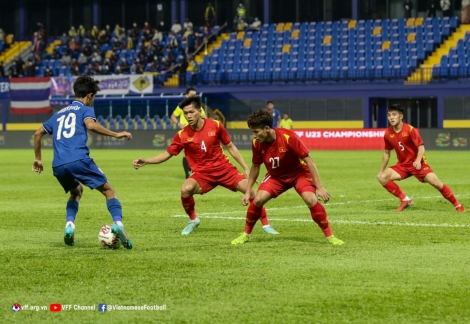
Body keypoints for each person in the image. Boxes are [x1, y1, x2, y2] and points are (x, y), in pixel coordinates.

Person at [133, 96, 278, 236]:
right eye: (185, 113)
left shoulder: (215, 125)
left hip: (224, 169)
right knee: (185, 189)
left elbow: (231, 147)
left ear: (199, 111)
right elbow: (167, 154)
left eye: (191, 112)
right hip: (202, 173)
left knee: (251, 192)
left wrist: (246, 168)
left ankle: (266, 225)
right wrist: (146, 160)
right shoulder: (182, 134)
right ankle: (193, 220)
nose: (188, 116)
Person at [31, 75, 134, 249]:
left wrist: (38, 159)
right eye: (93, 97)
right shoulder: (85, 109)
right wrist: (117, 134)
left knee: (76, 191)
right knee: (109, 190)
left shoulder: (58, 114)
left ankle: (69, 226)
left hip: (58, 165)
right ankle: (118, 224)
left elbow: (37, 133)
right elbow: (91, 126)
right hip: (78, 159)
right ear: (89, 96)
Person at [231, 110, 343, 245]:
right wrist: (248, 191)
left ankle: (330, 236)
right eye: (252, 132)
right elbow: (255, 167)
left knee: (311, 199)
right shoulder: (257, 143)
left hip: (298, 173)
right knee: (258, 199)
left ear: (267, 128)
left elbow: (309, 161)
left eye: (256, 132)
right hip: (276, 176)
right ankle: (246, 234)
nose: (254, 136)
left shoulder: (288, 137)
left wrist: (319, 187)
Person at [377, 104, 465, 213]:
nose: (391, 117)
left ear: (401, 116)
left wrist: (418, 160)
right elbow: (386, 153)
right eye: (389, 115)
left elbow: (421, 147)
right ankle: (405, 200)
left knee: (436, 183)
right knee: (382, 177)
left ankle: (458, 206)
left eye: (394, 115)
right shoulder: (387, 133)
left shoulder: (410, 130)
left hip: (418, 164)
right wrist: (380, 170)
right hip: (403, 165)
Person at [171, 88, 206, 178]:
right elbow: (173, 116)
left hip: (197, 131)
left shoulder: (198, 107)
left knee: (198, 151)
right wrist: (179, 124)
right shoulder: (182, 106)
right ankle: (187, 174)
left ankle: (196, 171)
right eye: (191, 95)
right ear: (186, 95)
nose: (193, 96)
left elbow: (205, 118)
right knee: (185, 152)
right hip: (186, 131)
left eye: (195, 95)